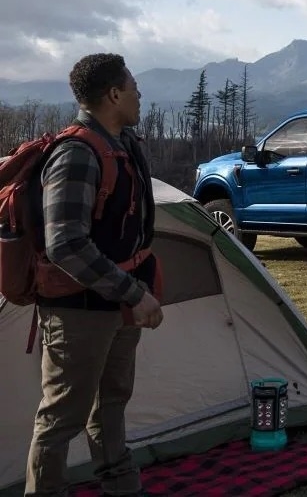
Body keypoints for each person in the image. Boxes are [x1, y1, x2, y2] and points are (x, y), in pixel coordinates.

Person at [25, 53, 163, 496]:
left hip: (116, 304)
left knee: (110, 405)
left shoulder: (123, 144)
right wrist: (132, 292)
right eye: (134, 86)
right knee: (62, 416)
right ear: (114, 94)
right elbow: (64, 243)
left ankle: (123, 488)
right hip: (78, 311)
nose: (140, 94)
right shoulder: (77, 153)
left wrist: (132, 292)